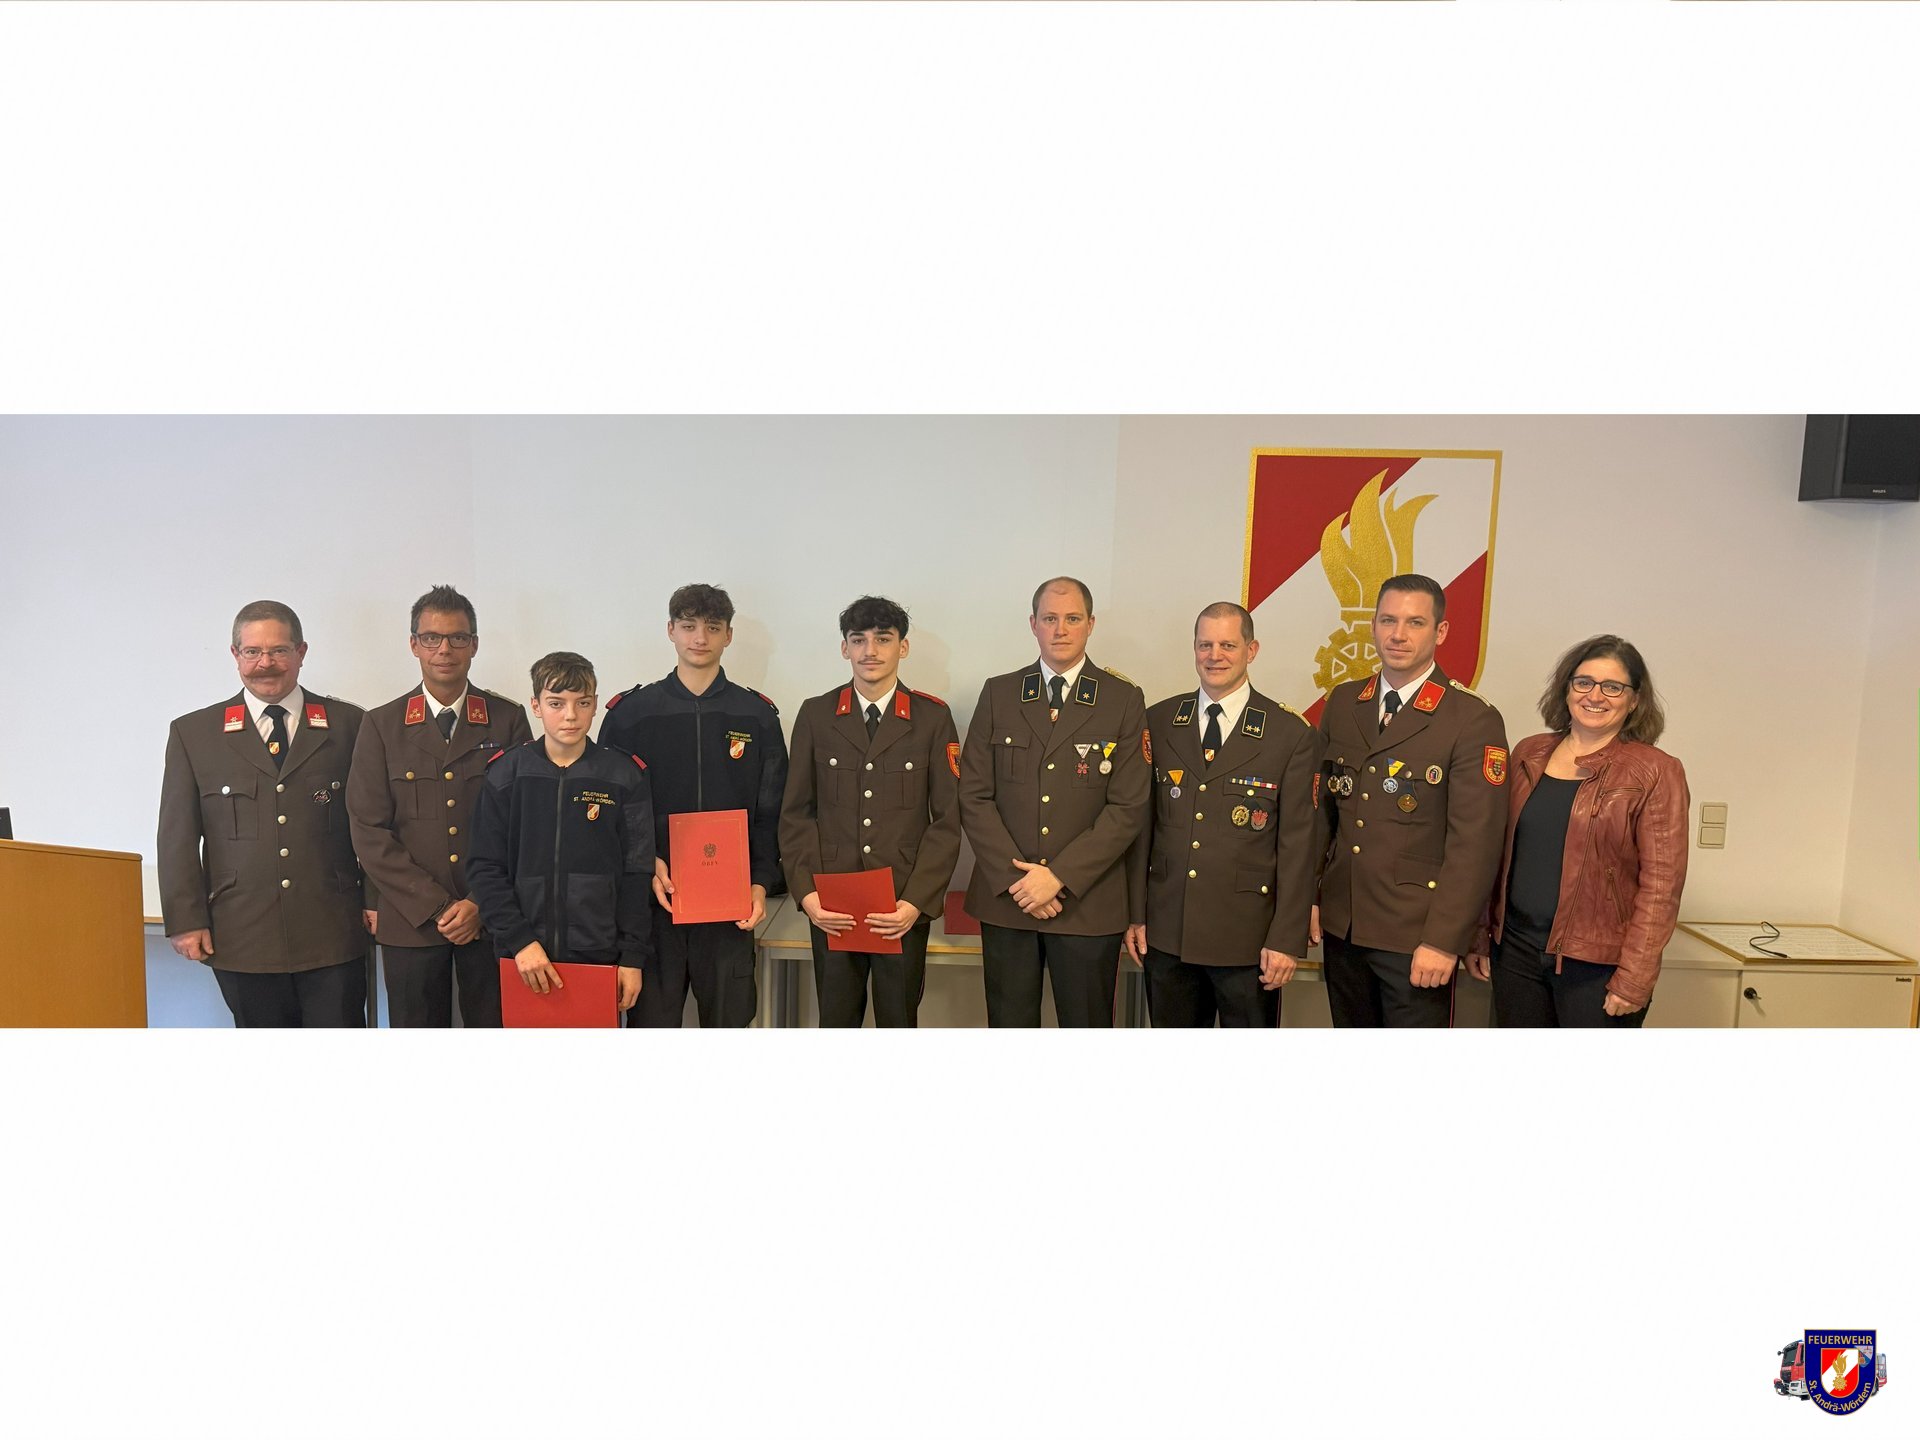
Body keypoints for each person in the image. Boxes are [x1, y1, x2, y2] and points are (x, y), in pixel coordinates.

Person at [157, 600, 370, 1027]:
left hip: (332, 930)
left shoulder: (351, 725)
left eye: (279, 651)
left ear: (301, 652)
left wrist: (378, 902)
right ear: (235, 655)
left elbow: (374, 825)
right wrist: (185, 920)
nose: (265, 663)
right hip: (242, 934)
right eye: (252, 651)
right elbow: (177, 836)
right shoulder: (195, 733)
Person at [1313, 574, 1508, 1028]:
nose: (1398, 634)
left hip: (1416, 935)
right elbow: (1322, 815)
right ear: (1373, 626)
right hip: (1344, 926)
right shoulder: (1344, 702)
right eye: (1388, 620)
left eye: (1415, 622)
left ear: (1440, 632)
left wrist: (1444, 940)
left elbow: (1475, 845)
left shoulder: (1471, 718)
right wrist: (1312, 898)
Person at [1464, 636, 1689, 1027]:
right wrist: (1481, 934)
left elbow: (1661, 887)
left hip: (1597, 967)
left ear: (1634, 700)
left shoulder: (1656, 771)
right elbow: (1494, 854)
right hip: (1515, 953)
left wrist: (1635, 977)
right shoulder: (1528, 753)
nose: (1595, 696)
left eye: (1613, 687)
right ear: (1566, 688)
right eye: (1584, 682)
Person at [958, 576, 1150, 1027]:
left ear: (1090, 624)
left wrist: (1059, 877)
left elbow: (1128, 807)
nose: (1060, 629)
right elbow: (973, 795)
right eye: (1049, 619)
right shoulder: (999, 693)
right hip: (1009, 901)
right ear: (1033, 624)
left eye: (1072, 619)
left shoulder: (1122, 699)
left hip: (1086, 904)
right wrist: (1019, 882)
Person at [599, 583, 788, 1028]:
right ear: (670, 630)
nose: (700, 638)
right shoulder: (631, 715)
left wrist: (760, 882)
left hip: (730, 909)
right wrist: (643, 862)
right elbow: (606, 811)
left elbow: (772, 812)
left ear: (729, 635)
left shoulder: (756, 716)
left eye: (713, 627)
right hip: (652, 907)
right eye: (688, 626)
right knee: (652, 1030)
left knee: (729, 1026)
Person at [1124, 602, 1319, 1027]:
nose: (1215, 656)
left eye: (1228, 645)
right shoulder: (1159, 721)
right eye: (1205, 645)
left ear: (1252, 650)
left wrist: (1286, 939)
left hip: (1248, 941)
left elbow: (1299, 847)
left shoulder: (1289, 733)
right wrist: (1136, 914)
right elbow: (1141, 829)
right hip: (1169, 933)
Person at [347, 584, 532, 1028]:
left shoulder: (507, 720)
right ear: (414, 645)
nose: (444, 649)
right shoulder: (381, 724)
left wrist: (479, 903)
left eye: (457, 638)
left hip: (492, 917)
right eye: (431, 638)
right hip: (411, 919)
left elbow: (525, 822)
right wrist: (437, 907)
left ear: (474, 645)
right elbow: (369, 829)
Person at [779, 595, 963, 1027]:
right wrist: (807, 895)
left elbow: (948, 820)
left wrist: (916, 902)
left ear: (903, 647)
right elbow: (796, 813)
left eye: (883, 638)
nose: (870, 650)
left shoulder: (932, 718)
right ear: (845, 648)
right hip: (832, 905)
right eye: (858, 639)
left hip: (899, 905)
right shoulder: (817, 714)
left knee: (898, 1021)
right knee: (836, 1022)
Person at [465, 651, 653, 1015]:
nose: (570, 715)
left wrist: (633, 956)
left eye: (582, 703)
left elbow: (637, 870)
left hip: (599, 954)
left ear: (595, 705)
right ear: (536, 706)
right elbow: (484, 867)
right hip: (522, 955)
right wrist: (520, 941)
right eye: (556, 703)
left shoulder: (623, 775)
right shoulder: (507, 774)